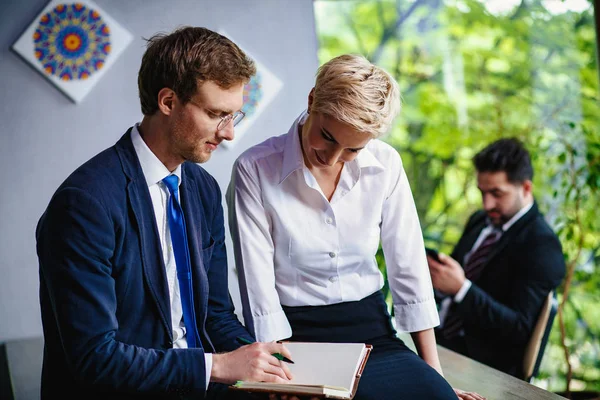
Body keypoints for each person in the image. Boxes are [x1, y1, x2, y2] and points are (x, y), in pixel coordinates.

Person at [35, 26, 295, 399]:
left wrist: (266, 366)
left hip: (199, 385)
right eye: (216, 114)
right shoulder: (84, 203)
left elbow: (216, 315)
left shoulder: (204, 190)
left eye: (233, 116)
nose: (229, 134)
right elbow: (94, 357)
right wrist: (218, 366)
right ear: (168, 101)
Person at [227, 54, 484, 400]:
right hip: (294, 338)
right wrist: (278, 367)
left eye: (353, 149)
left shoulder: (386, 164)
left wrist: (433, 374)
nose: (332, 158)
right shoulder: (255, 169)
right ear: (311, 101)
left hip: (374, 334)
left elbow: (409, 271)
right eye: (328, 137)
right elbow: (257, 288)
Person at [427, 138, 566, 378]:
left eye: (496, 193)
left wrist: (461, 290)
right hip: (436, 339)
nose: (487, 203)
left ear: (526, 188)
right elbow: (453, 277)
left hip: (481, 364)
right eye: (482, 192)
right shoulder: (480, 221)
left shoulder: (542, 245)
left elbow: (521, 330)